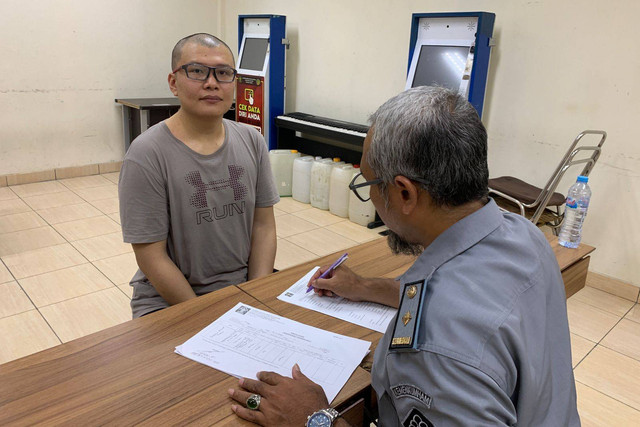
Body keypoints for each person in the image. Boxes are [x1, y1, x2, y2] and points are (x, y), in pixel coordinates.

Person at [228, 86, 579, 426]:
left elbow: (451, 323)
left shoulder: (436, 349)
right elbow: (468, 301)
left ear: (405, 193)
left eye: (368, 185)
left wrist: (314, 419)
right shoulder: (524, 236)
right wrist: (365, 287)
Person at [119, 33, 279, 318]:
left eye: (224, 73)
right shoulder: (146, 153)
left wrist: (257, 297)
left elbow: (264, 227)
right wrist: (205, 317)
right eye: (196, 71)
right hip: (169, 300)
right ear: (173, 83)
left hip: (242, 289)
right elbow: (150, 255)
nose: (212, 83)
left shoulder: (252, 141)